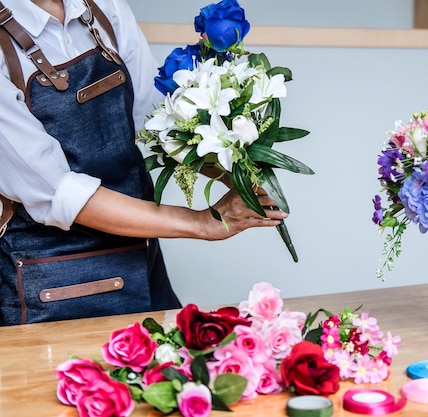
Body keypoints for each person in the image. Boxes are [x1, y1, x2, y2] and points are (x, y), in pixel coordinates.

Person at [0, 0, 288, 326]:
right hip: (52, 287)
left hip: (142, 261)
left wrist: (232, 169)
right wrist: (200, 223)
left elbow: (158, 123)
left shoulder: (105, 9)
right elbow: (60, 193)